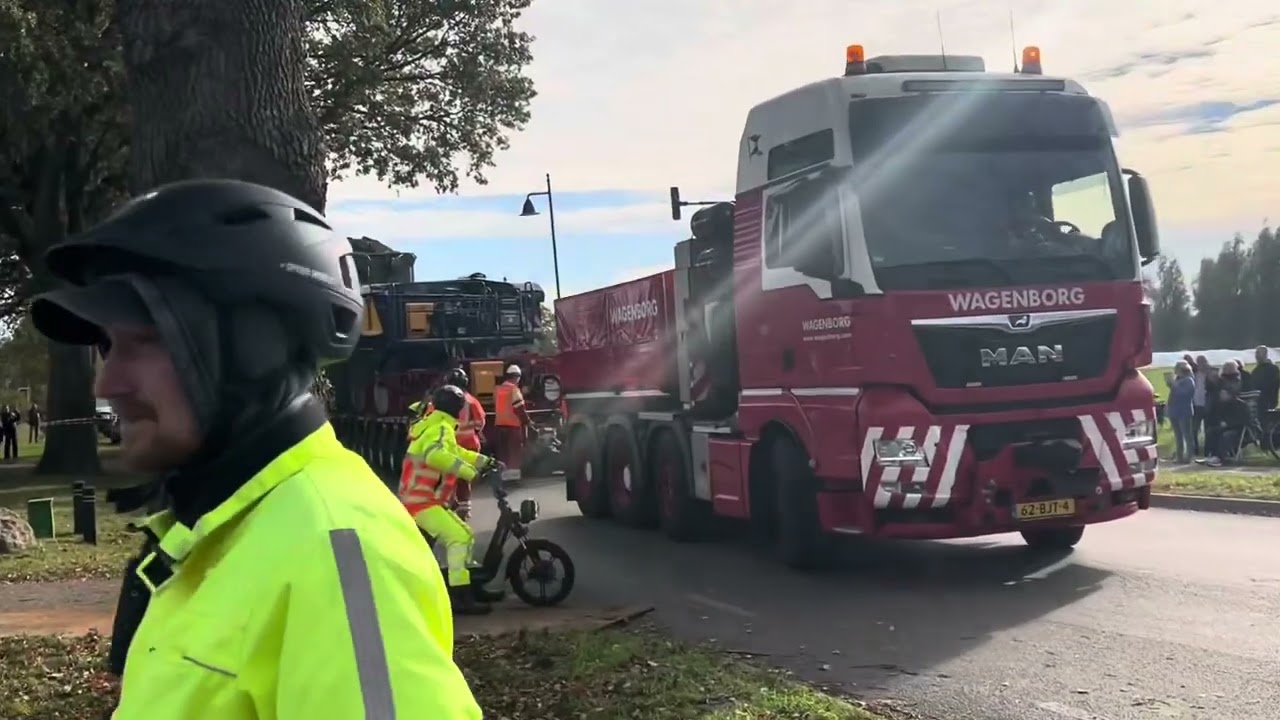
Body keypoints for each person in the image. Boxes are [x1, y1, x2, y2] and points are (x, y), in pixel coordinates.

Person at [27, 179, 480, 719]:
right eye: (107, 347)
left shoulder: (335, 549)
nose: (108, 385)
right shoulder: (219, 530)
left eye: (145, 342)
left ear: (253, 348)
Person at [399, 384, 505, 615]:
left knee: (465, 534)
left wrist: (485, 461)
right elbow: (434, 455)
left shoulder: (437, 425)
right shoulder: (440, 428)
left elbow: (456, 452)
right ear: (456, 408)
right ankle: (459, 597)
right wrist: (470, 473)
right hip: (421, 501)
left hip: (423, 499)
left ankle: (471, 587)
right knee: (458, 537)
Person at [492, 364, 531, 481]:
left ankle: (503, 477)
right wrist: (527, 421)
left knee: (503, 453)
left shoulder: (497, 390)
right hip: (512, 426)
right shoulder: (514, 390)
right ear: (517, 377)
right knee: (514, 453)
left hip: (499, 425)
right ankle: (513, 478)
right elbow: (519, 408)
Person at [1166, 361, 1196, 463]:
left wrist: (1173, 385)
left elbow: (1184, 394)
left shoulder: (1189, 380)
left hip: (1184, 411)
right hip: (1175, 410)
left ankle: (1189, 456)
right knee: (1178, 435)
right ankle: (1179, 456)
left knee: (1187, 435)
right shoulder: (1178, 380)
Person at [1253, 346, 1280, 411]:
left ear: (1265, 354)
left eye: (1258, 353)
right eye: (1256, 353)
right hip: (1259, 402)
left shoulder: (1273, 369)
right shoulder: (1256, 370)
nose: (1256, 356)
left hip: (1269, 401)